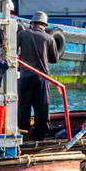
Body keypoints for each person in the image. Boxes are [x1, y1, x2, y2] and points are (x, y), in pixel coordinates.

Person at [17, 11, 60, 141]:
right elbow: (54, 59)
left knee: (24, 106)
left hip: (25, 76)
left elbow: (13, 49)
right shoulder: (49, 38)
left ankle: (22, 135)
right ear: (44, 25)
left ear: (32, 23)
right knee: (41, 107)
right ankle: (40, 136)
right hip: (42, 77)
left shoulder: (22, 34)